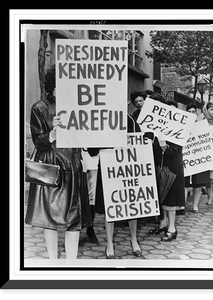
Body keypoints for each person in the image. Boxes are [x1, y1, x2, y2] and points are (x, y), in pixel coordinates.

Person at [25, 65, 92, 260]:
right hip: (51, 167)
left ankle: (71, 264)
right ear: (54, 83)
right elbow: (38, 142)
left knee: (74, 218)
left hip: (73, 165)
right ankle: (53, 263)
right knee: (48, 217)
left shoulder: (79, 106)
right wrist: (53, 133)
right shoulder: (40, 107)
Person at [88, 114, 143, 259]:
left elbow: (141, 142)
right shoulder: (101, 121)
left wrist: (129, 141)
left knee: (131, 204)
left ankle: (133, 239)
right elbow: (92, 151)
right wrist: (109, 142)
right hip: (108, 169)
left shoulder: (130, 120)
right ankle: (110, 243)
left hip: (128, 169)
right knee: (109, 206)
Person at [148, 100, 185, 242]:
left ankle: (172, 228)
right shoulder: (157, 129)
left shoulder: (178, 131)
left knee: (170, 200)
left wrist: (163, 142)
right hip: (160, 168)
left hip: (172, 170)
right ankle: (163, 224)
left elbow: (171, 153)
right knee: (162, 198)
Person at [184, 103, 212, 212]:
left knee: (198, 183)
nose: (191, 114)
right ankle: (183, 204)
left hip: (199, 157)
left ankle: (195, 205)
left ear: (196, 113)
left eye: (193, 112)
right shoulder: (182, 125)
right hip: (186, 158)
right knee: (185, 182)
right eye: (189, 111)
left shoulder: (202, 125)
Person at [197, 101, 213, 205]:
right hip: (206, 151)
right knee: (209, 178)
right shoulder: (201, 119)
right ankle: (209, 196)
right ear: (206, 110)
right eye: (211, 109)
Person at [81, 148, 99, 243]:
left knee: (92, 196)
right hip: (78, 157)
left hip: (93, 160)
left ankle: (90, 228)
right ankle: (74, 229)